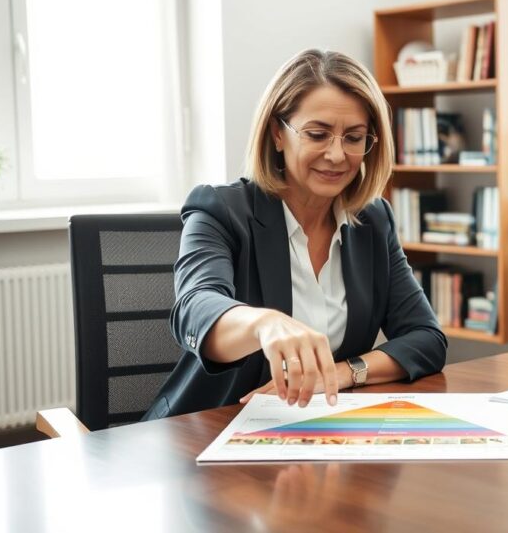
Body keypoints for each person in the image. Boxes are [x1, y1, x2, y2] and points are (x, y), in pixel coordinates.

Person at [144, 49, 447, 419]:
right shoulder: (221, 209)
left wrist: (341, 373)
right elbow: (194, 309)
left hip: (308, 429)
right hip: (205, 427)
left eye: (354, 138)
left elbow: (426, 338)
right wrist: (264, 324)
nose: (337, 155)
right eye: (317, 134)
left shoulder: (372, 220)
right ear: (277, 134)